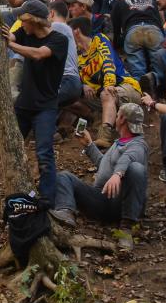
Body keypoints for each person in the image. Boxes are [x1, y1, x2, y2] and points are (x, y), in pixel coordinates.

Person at [50, 103, 148, 251]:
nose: (115, 118)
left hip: (121, 204)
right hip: (101, 199)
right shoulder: (119, 142)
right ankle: (65, 213)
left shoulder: (138, 144)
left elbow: (128, 158)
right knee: (64, 177)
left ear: (122, 119)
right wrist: (89, 145)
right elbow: (104, 165)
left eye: (117, 115)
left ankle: (126, 229)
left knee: (136, 168)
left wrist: (118, 173)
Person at [2, 0, 69, 206]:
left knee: (44, 153)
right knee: (11, 147)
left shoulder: (59, 40)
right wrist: (4, 33)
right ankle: (17, 192)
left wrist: (12, 44)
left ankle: (47, 199)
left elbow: (39, 54)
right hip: (23, 105)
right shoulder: (25, 32)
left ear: (34, 21)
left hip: (45, 107)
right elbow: (11, 36)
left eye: (23, 20)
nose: (21, 24)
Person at [68, 16, 142, 147]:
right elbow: (74, 77)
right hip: (102, 99)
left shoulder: (99, 39)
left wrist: (109, 85)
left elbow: (108, 62)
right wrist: (83, 85)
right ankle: (96, 117)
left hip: (126, 87)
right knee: (67, 96)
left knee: (106, 93)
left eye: (69, 32)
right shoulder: (77, 56)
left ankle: (105, 136)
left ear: (76, 31)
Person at [110, 0, 163, 85]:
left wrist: (117, 47)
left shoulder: (119, 3)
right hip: (154, 30)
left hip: (133, 32)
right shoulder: (150, 0)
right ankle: (157, 86)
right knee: (159, 68)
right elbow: (159, 22)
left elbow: (116, 30)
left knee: (138, 72)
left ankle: (141, 95)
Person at [48, 1, 82, 106]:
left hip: (66, 79)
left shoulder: (57, 26)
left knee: (43, 106)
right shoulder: (66, 29)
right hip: (72, 81)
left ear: (52, 13)